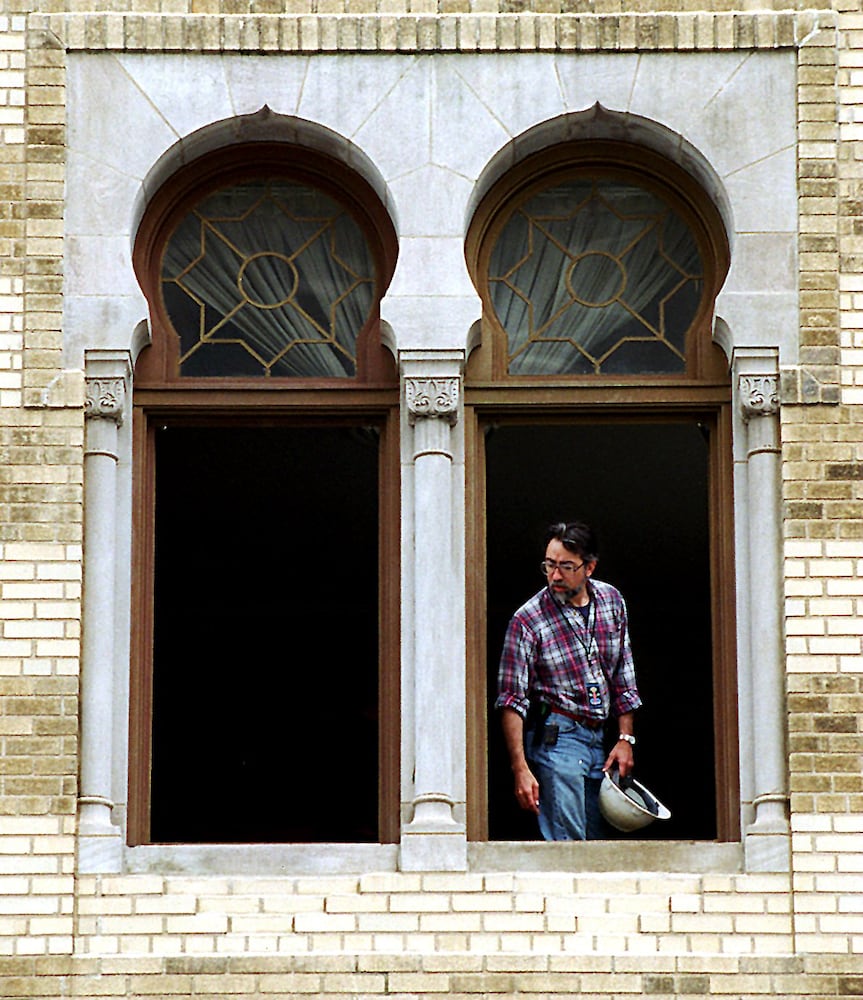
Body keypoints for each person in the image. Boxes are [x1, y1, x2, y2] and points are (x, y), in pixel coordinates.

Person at [495, 521, 642, 841]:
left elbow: (624, 675)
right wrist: (520, 768)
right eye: (549, 565)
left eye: (565, 566)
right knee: (570, 845)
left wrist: (625, 738)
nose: (555, 576)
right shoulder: (528, 619)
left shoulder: (611, 601)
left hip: (600, 740)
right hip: (557, 738)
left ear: (589, 566)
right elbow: (511, 699)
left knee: (596, 839)